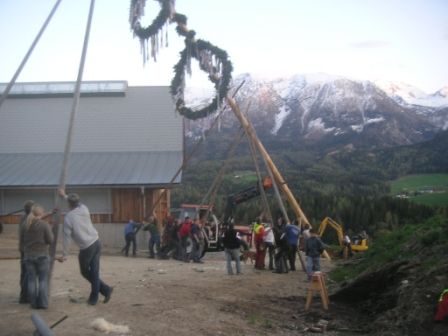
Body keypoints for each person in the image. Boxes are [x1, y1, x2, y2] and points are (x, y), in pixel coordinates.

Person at [57, 190, 113, 306]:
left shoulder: (68, 218)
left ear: (69, 204)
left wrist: (65, 255)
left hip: (87, 247)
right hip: (96, 241)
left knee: (85, 272)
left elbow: (67, 238)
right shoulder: (84, 208)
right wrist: (65, 196)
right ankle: (104, 290)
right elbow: (74, 202)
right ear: (78, 202)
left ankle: (97, 295)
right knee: (94, 272)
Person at [23, 204, 54, 309]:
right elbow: (50, 240)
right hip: (42, 255)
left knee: (31, 280)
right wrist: (50, 228)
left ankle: (33, 303)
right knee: (42, 280)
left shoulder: (25, 224)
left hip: (28, 256)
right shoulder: (44, 225)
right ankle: (43, 304)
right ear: (41, 213)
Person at [18, 200, 34, 304]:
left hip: (23, 249)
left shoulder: (23, 217)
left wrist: (50, 213)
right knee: (28, 273)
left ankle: (24, 295)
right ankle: (25, 297)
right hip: (28, 250)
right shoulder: (28, 221)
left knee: (24, 272)